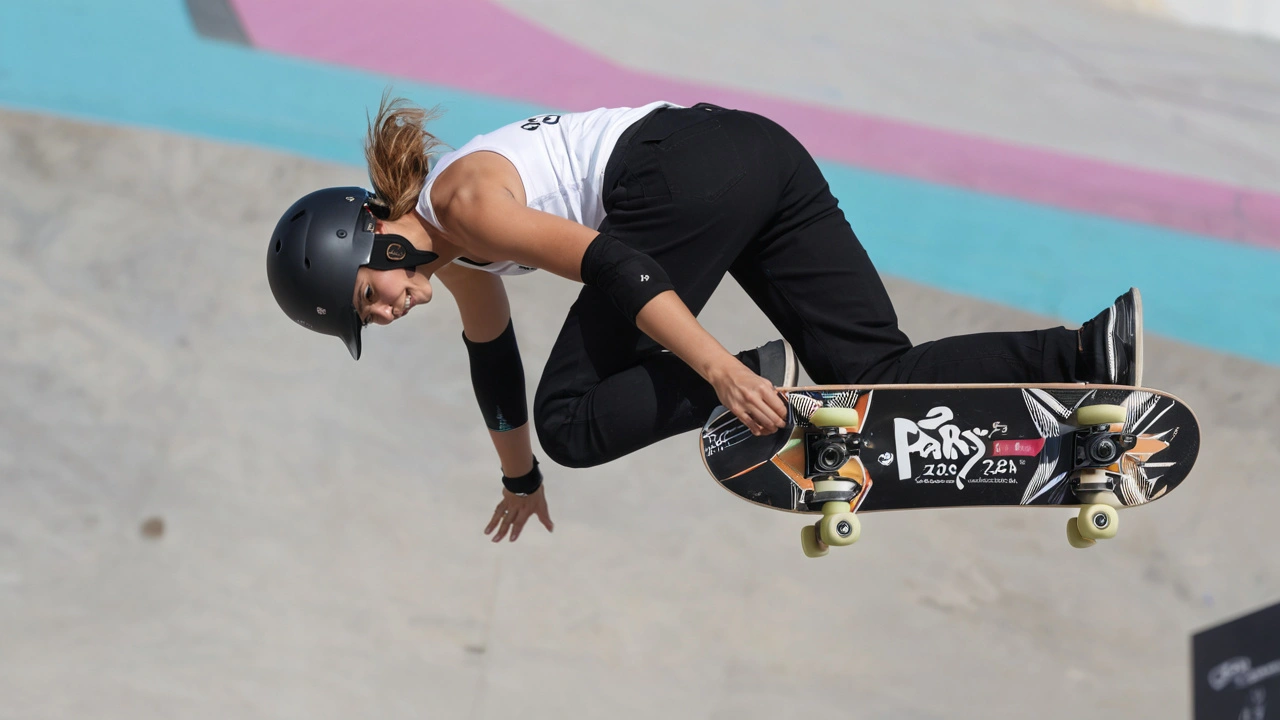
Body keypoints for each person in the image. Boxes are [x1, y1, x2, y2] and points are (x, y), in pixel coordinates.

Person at [266, 94, 1143, 543]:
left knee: (575, 421)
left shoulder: (462, 206)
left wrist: (724, 369)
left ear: (368, 242)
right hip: (755, 153)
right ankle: (1079, 353)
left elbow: (611, 262)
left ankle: (764, 369)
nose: (382, 317)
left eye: (365, 303)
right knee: (873, 376)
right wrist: (519, 479)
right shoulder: (454, 251)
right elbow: (493, 364)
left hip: (675, 175)